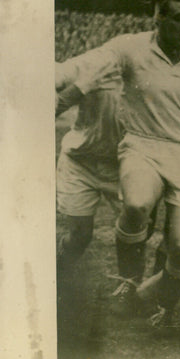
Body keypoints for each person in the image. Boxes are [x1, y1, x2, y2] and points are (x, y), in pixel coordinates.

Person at [77, 0, 180, 324]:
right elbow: (90, 68)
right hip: (142, 144)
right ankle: (129, 281)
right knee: (136, 204)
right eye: (179, 18)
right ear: (158, 19)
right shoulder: (130, 48)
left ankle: (161, 305)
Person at [55, 56, 123, 276]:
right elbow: (44, 107)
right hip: (80, 162)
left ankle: (130, 287)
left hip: (123, 165)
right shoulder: (90, 67)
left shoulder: (151, 75)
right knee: (80, 236)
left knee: (140, 229)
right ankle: (58, 276)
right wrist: (81, 87)